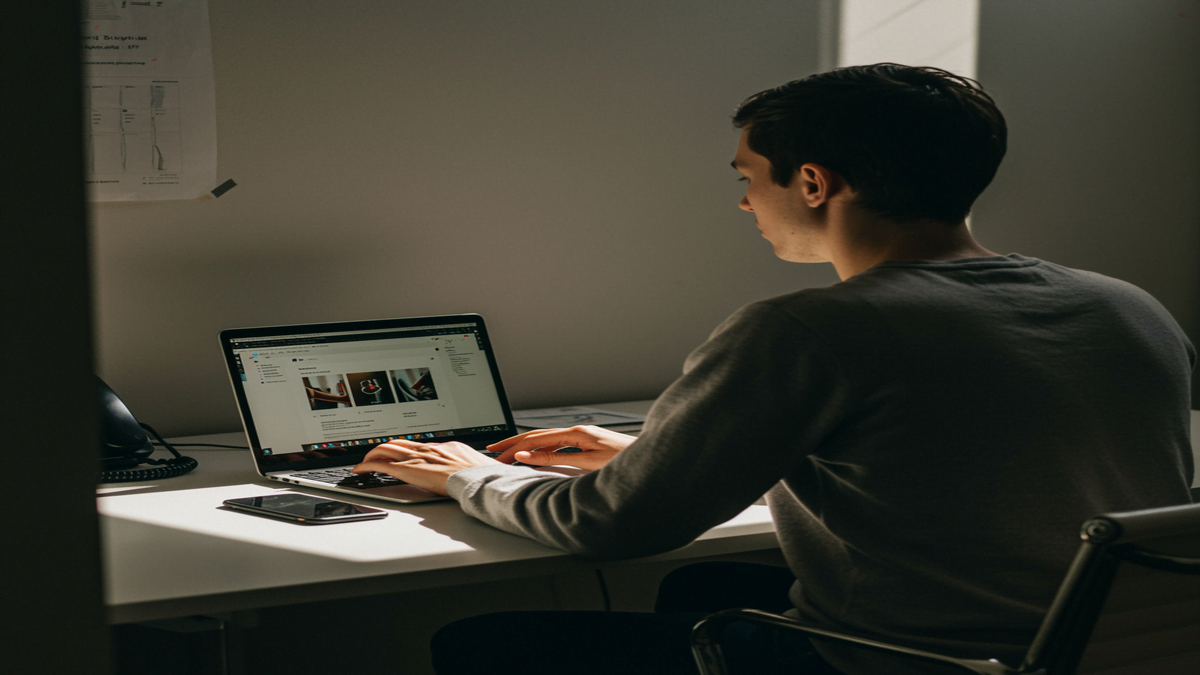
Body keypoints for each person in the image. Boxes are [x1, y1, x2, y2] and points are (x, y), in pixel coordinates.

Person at [353, 64, 1195, 674]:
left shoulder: (807, 330)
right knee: (701, 582)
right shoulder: (1126, 305)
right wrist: (660, 452)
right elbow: (957, 465)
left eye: (750, 178)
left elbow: (612, 528)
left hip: (908, 661)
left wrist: (467, 476)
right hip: (1086, 650)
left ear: (815, 182)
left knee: (481, 642)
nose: (746, 201)